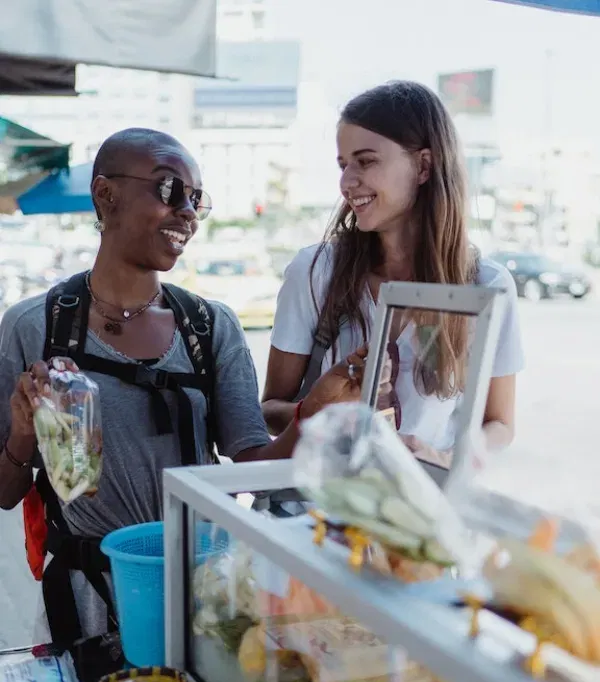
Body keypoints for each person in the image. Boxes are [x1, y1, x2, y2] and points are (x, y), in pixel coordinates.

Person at [0, 128, 364, 643]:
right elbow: (4, 492)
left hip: (202, 590)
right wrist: (21, 433)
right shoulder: (35, 326)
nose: (188, 213)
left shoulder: (210, 328)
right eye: (171, 190)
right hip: (84, 599)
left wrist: (314, 412)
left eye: (197, 200)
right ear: (106, 194)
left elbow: (254, 469)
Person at [262, 81, 524, 468]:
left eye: (365, 161)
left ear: (423, 166)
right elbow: (269, 411)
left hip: (418, 516)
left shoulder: (487, 287)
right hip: (317, 517)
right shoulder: (315, 272)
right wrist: (319, 410)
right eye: (343, 164)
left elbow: (498, 423)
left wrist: (445, 460)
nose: (346, 182)